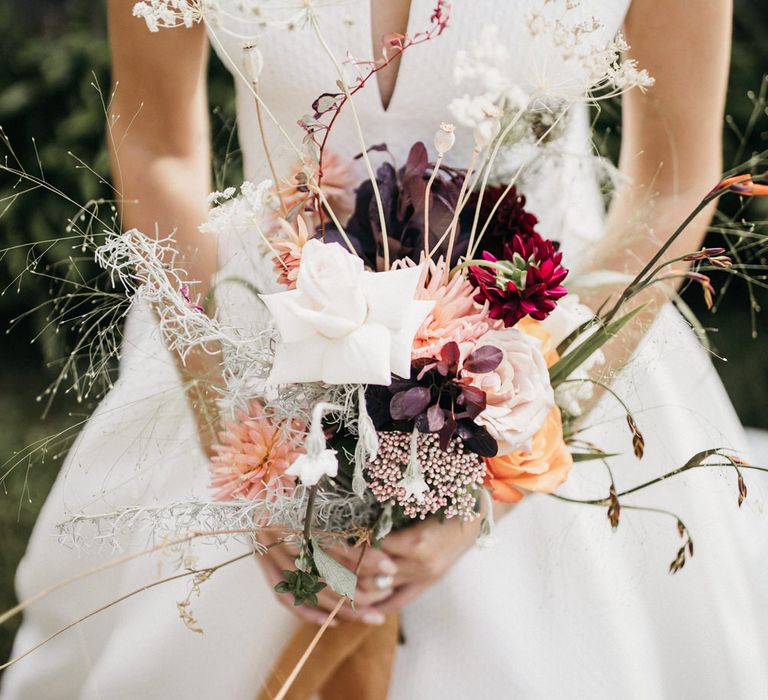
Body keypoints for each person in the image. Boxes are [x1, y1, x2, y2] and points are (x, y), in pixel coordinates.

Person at [4, 0, 768, 698]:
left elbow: (673, 180)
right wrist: (246, 446)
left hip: (553, 342)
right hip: (254, 353)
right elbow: (156, 143)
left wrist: (509, 458)